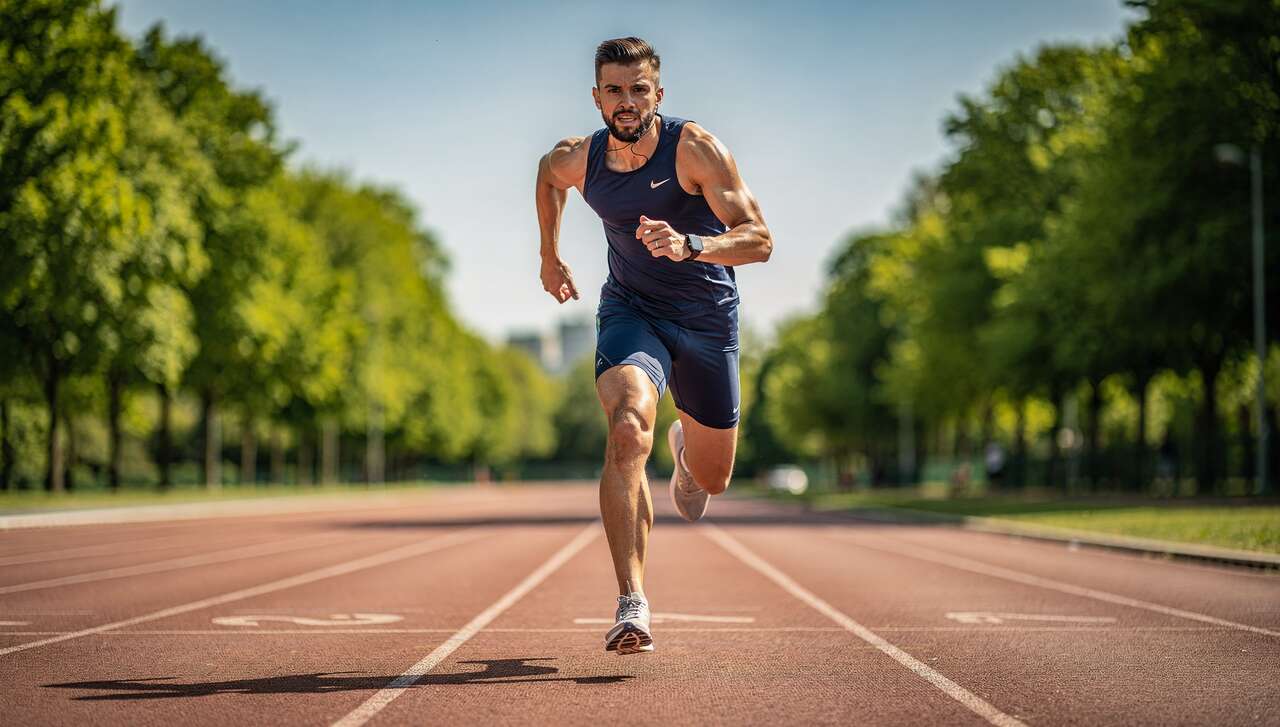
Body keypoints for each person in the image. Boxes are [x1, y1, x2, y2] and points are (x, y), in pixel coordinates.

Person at [534, 37, 773, 655]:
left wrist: (693, 245)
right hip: (632, 311)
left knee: (714, 480)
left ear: (657, 94)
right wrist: (549, 254)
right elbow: (547, 175)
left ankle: (687, 454)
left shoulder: (694, 149)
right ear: (597, 97)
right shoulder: (580, 159)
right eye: (614, 90)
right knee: (626, 426)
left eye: (639, 89)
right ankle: (631, 601)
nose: (627, 100)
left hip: (706, 318)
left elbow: (759, 239)